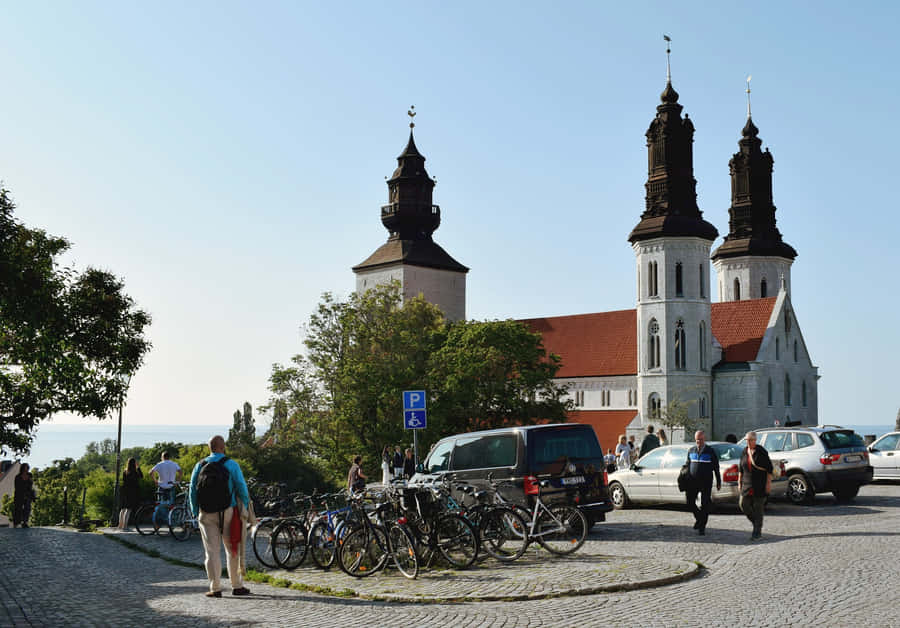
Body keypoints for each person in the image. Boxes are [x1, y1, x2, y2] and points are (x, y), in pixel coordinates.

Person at [188, 435, 252, 598]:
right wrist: (243, 506)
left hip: (206, 513)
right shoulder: (231, 464)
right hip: (228, 511)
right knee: (232, 549)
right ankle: (237, 585)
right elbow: (242, 488)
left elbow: (192, 491)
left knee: (212, 552)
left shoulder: (200, 465)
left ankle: (215, 588)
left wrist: (196, 511)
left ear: (209, 448)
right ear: (223, 447)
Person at [684, 430, 721, 536]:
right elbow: (687, 465)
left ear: (704, 439)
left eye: (700, 439)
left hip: (706, 482)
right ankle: (699, 519)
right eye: (697, 440)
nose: (698, 442)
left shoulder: (710, 451)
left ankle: (702, 527)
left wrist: (718, 481)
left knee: (705, 504)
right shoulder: (691, 450)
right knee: (690, 502)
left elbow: (716, 468)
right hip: (693, 482)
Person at [738, 431, 773, 541]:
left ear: (755, 440)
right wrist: (739, 482)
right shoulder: (744, 451)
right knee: (743, 505)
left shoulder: (761, 451)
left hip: (759, 484)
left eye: (750, 440)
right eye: (747, 440)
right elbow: (741, 469)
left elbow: (769, 469)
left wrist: (768, 484)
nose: (748, 442)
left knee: (758, 509)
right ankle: (756, 523)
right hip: (747, 485)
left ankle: (757, 533)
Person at [118, 458, 143, 530]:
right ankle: (125, 526)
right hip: (131, 492)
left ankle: (120, 525)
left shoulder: (125, 471)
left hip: (124, 491)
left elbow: (124, 480)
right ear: (134, 463)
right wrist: (138, 467)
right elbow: (141, 476)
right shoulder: (134, 472)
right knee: (128, 509)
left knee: (122, 509)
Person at [13, 463, 36, 528]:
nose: (27, 469)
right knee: (18, 509)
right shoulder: (18, 476)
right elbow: (17, 487)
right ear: (23, 468)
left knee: (27, 509)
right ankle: (16, 523)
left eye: (28, 467)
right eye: (26, 467)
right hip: (19, 495)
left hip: (28, 494)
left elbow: (31, 484)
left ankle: (25, 522)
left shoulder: (30, 475)